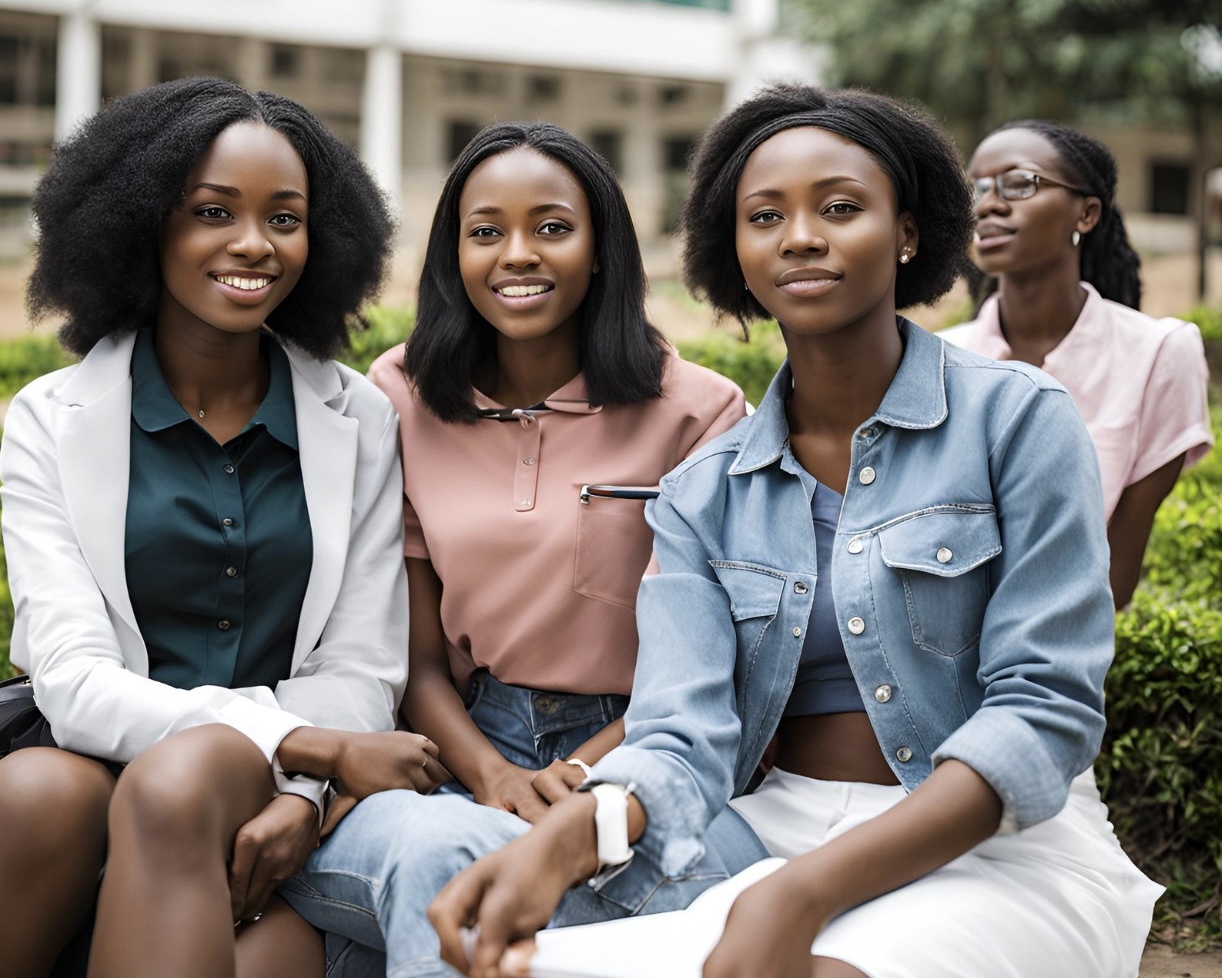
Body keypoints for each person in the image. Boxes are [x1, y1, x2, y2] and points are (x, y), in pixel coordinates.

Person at [426, 85, 1162, 978]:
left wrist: (806, 892)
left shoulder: (1018, 421)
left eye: (841, 208)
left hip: (1005, 842)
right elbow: (678, 737)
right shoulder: (703, 488)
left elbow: (1043, 712)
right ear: (737, 254)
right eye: (765, 216)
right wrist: (566, 840)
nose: (801, 236)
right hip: (775, 826)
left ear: (909, 232)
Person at [278, 121, 757, 975]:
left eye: (552, 228)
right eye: (486, 232)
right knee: (446, 851)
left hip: (638, 756)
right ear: (453, 255)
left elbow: (707, 668)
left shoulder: (700, 411)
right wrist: (493, 776)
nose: (517, 255)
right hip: (454, 745)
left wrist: (578, 775)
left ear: (602, 247)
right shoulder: (402, 393)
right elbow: (415, 657)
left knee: (719, 890)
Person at [0, 77, 443, 978]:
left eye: (285, 217)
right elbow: (74, 679)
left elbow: (361, 666)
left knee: (185, 786)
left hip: (256, 795)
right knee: (31, 795)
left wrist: (307, 794)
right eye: (212, 211)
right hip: (95, 755)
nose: (254, 244)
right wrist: (311, 749)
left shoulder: (358, 418)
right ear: (143, 224)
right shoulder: (49, 418)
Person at [941, 120, 1212, 607]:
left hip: (1060, 663)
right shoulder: (935, 360)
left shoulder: (1158, 354)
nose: (988, 204)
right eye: (976, 189)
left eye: (1019, 183)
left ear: (1086, 214)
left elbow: (1114, 579)